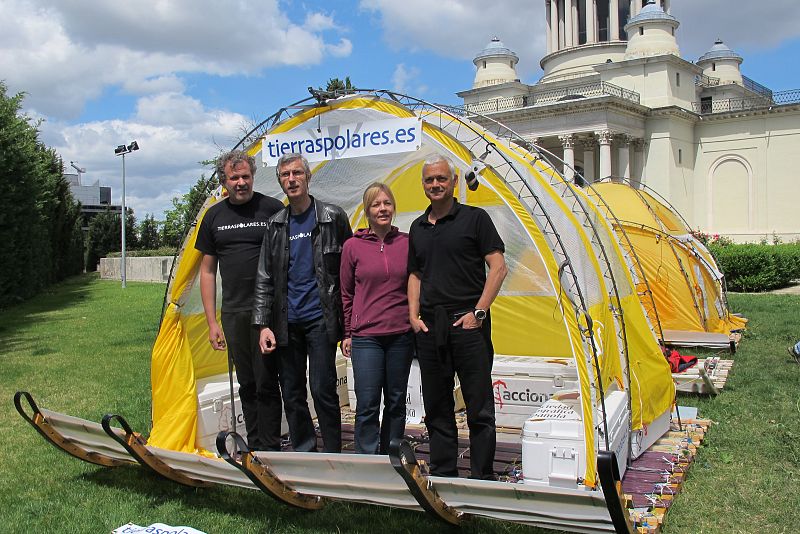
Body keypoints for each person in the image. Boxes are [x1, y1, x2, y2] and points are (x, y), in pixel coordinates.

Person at [407, 153, 508, 479]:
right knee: (437, 407)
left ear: (452, 182)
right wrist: (413, 316)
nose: (435, 184)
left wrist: (479, 312)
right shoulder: (418, 227)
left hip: (468, 324)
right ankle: (443, 474)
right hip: (430, 326)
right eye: (429, 180)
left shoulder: (475, 219)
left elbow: (498, 267)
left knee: (478, 407)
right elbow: (415, 275)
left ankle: (482, 477)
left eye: (441, 179)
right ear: (423, 185)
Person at [252, 153, 352, 453]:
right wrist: (262, 325)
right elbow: (264, 277)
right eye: (285, 175)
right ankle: (306, 453)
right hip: (286, 322)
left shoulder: (332, 217)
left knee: (323, 390)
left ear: (308, 177)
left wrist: (348, 325)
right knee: (293, 393)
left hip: (320, 319)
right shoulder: (276, 224)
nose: (291, 179)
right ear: (280, 181)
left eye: (297, 173)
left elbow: (349, 269)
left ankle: (334, 453)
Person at [195, 150, 284, 451]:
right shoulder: (214, 216)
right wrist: (211, 323)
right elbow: (207, 272)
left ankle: (272, 447)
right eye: (235, 177)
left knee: (267, 381)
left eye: (246, 176)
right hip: (233, 313)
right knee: (246, 383)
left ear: (253, 176)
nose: (241, 182)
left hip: (267, 312)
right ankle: (256, 446)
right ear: (225, 181)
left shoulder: (271, 209)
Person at [340, 183, 413, 454]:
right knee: (368, 403)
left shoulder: (406, 243)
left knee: (396, 401)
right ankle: (367, 462)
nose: (382, 209)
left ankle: (392, 457)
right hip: (366, 338)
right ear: (367, 210)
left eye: (387, 203)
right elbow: (346, 293)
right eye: (375, 204)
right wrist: (347, 332)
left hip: (400, 334)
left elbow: (416, 285)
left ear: (393, 207)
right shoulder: (352, 246)